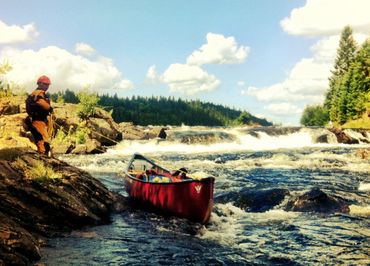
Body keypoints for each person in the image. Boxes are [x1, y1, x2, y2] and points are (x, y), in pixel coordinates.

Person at [25, 75, 54, 156]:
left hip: (40, 120)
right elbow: (44, 105)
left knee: (41, 138)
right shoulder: (38, 93)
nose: (47, 86)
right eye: (45, 84)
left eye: (48, 84)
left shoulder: (38, 93)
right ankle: (43, 156)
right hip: (37, 120)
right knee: (42, 138)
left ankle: (43, 155)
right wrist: (50, 109)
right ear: (39, 84)